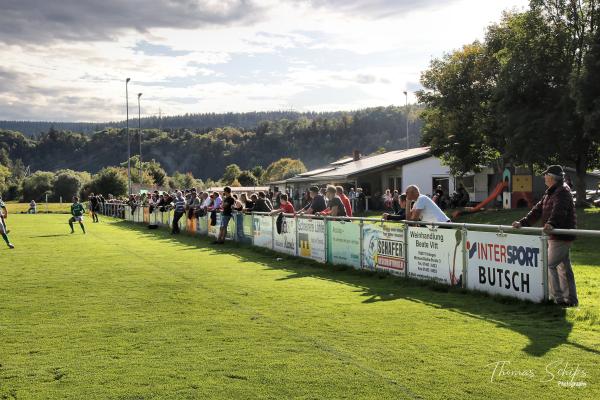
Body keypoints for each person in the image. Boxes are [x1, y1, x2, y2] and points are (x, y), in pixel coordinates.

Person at [512, 165, 578, 307]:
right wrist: (522, 222)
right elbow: (537, 210)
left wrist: (552, 224)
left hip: (560, 235)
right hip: (557, 234)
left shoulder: (562, 191)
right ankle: (569, 300)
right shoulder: (552, 192)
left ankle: (558, 299)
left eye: (545, 175)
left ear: (552, 177)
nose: (543, 178)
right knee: (563, 267)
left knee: (550, 265)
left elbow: (560, 210)